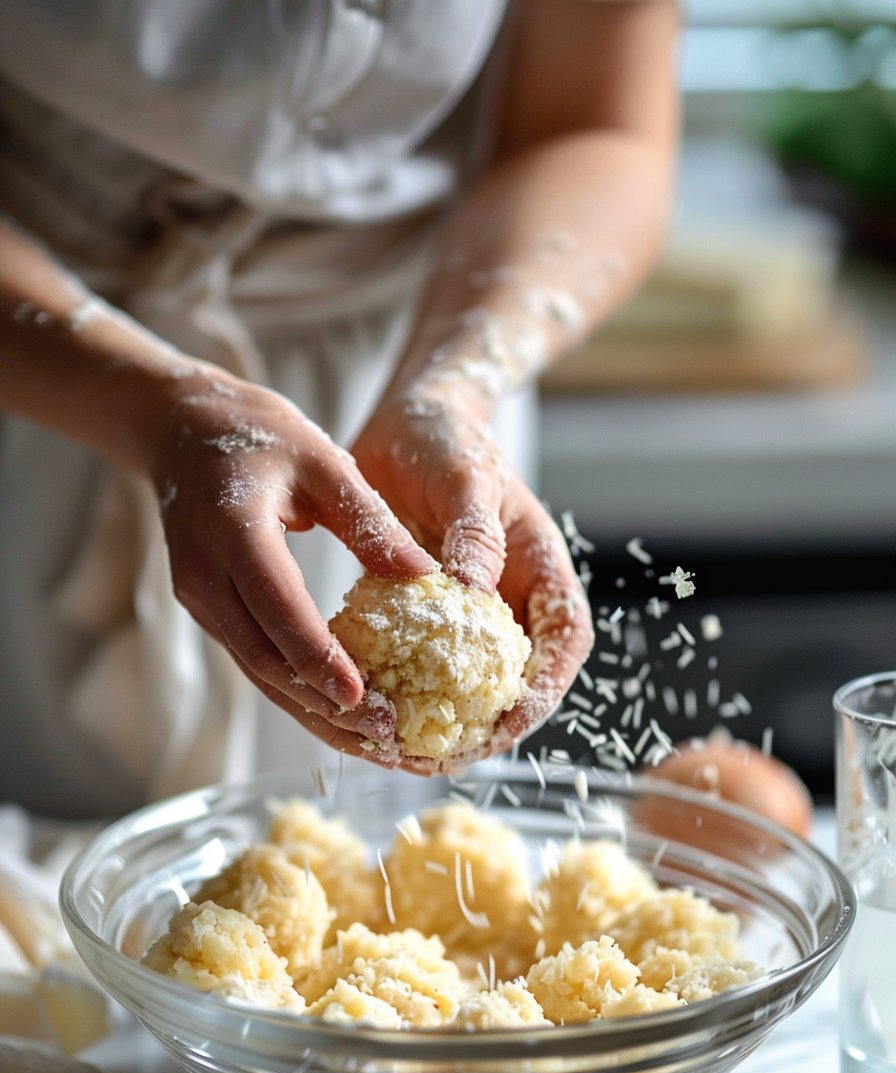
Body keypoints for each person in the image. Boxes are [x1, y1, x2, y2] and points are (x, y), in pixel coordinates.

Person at [0, 0, 678, 821]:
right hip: (41, 364)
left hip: (420, 360)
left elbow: (596, 124)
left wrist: (455, 383)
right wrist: (151, 402)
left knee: (386, 855)